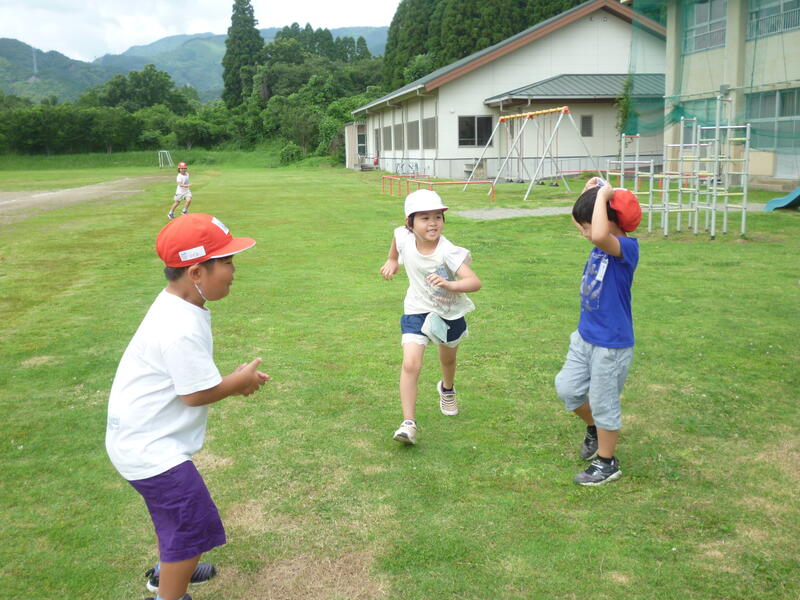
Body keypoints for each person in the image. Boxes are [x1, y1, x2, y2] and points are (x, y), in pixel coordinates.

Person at [105, 213, 270, 600]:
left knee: (175, 517)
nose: (233, 270)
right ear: (196, 272)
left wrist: (232, 380)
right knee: (192, 524)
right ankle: (170, 593)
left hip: (138, 440)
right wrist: (239, 383)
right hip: (150, 449)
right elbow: (195, 394)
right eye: (227, 261)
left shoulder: (178, 305)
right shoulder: (178, 326)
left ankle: (170, 570)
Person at [555, 178, 641, 486]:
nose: (584, 232)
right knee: (567, 389)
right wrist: (589, 195)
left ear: (610, 221)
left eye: (587, 226)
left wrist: (604, 195)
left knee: (605, 403)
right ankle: (594, 427)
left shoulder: (625, 248)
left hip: (610, 346)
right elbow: (587, 224)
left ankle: (607, 463)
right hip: (585, 337)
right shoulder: (601, 238)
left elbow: (599, 233)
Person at [380, 189, 481, 445]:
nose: (433, 223)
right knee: (410, 364)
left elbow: (474, 282)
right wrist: (392, 260)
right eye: (425, 218)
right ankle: (408, 423)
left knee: (448, 360)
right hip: (416, 308)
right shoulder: (404, 237)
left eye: (437, 217)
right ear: (410, 223)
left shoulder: (448, 251)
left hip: (448, 312)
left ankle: (447, 388)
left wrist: (449, 285)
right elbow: (396, 238)